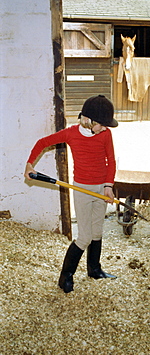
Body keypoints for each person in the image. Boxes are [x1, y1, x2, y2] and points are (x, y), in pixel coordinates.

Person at [24, 95, 118, 293]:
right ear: (87, 120)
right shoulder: (71, 134)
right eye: (101, 124)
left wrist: (108, 186)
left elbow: (111, 160)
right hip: (82, 189)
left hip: (101, 188)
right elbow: (42, 142)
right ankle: (65, 277)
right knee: (84, 236)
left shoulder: (105, 134)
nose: (104, 128)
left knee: (97, 232)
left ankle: (94, 269)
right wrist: (29, 164)